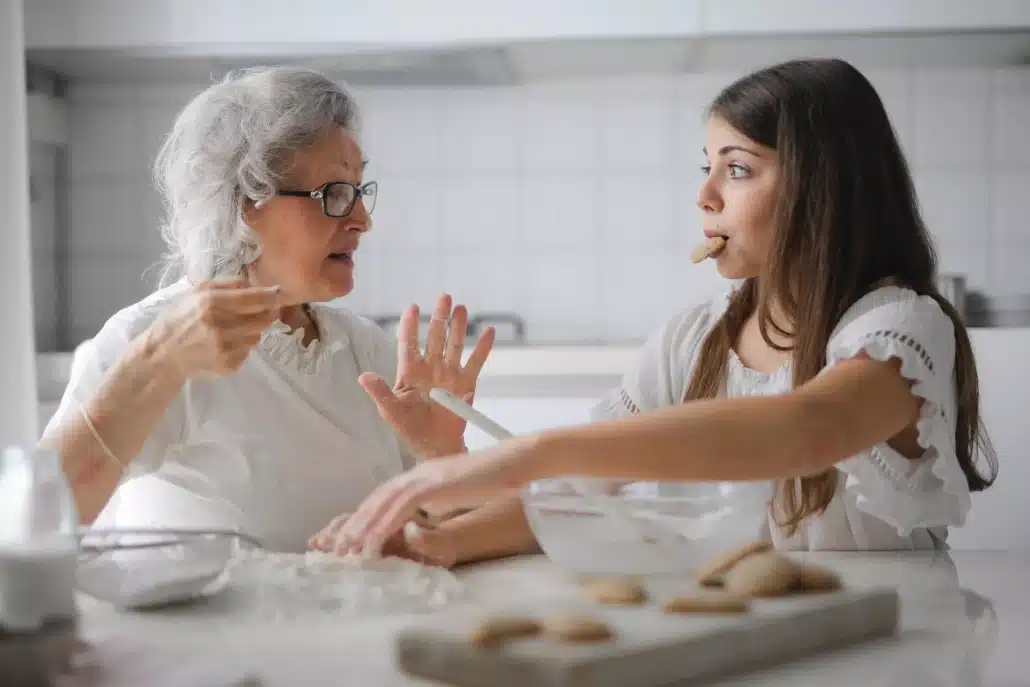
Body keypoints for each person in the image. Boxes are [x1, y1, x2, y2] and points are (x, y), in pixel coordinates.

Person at [324, 58, 999, 560]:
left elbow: (808, 427)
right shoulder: (695, 337)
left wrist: (533, 450)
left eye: (736, 168)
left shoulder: (901, 328)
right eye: (705, 166)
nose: (704, 194)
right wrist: (431, 536)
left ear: (824, 188)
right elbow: (587, 492)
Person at [39, 66, 494, 554]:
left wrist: (442, 455)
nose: (363, 220)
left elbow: (444, 534)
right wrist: (156, 365)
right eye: (335, 193)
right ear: (241, 202)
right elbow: (39, 519)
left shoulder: (364, 350)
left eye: (360, 191)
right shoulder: (148, 338)